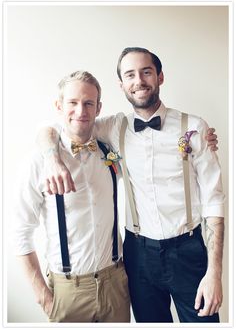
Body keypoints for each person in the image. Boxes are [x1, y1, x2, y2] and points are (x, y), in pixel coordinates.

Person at [37, 47, 224, 323]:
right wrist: (51, 157)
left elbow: (214, 201)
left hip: (189, 251)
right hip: (138, 256)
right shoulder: (114, 126)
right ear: (121, 84)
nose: (139, 81)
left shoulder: (193, 128)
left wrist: (214, 273)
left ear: (160, 77)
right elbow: (56, 128)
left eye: (146, 72)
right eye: (130, 75)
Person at [12, 70, 130, 323]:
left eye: (88, 103)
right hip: (68, 291)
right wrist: (43, 296)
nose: (81, 111)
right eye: (72, 103)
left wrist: (200, 141)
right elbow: (20, 233)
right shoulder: (38, 162)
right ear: (59, 106)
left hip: (116, 284)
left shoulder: (110, 151)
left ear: (99, 108)